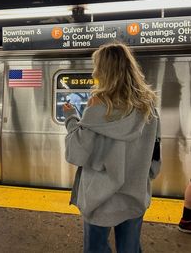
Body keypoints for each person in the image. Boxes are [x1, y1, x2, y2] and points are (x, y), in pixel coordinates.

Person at [63, 42, 161, 253]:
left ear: (105, 70)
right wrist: (146, 175)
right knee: (130, 249)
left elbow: (76, 153)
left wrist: (70, 118)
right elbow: (155, 150)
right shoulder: (148, 105)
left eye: (97, 66)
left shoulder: (98, 105)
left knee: (96, 249)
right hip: (134, 193)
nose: (95, 71)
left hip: (100, 197)